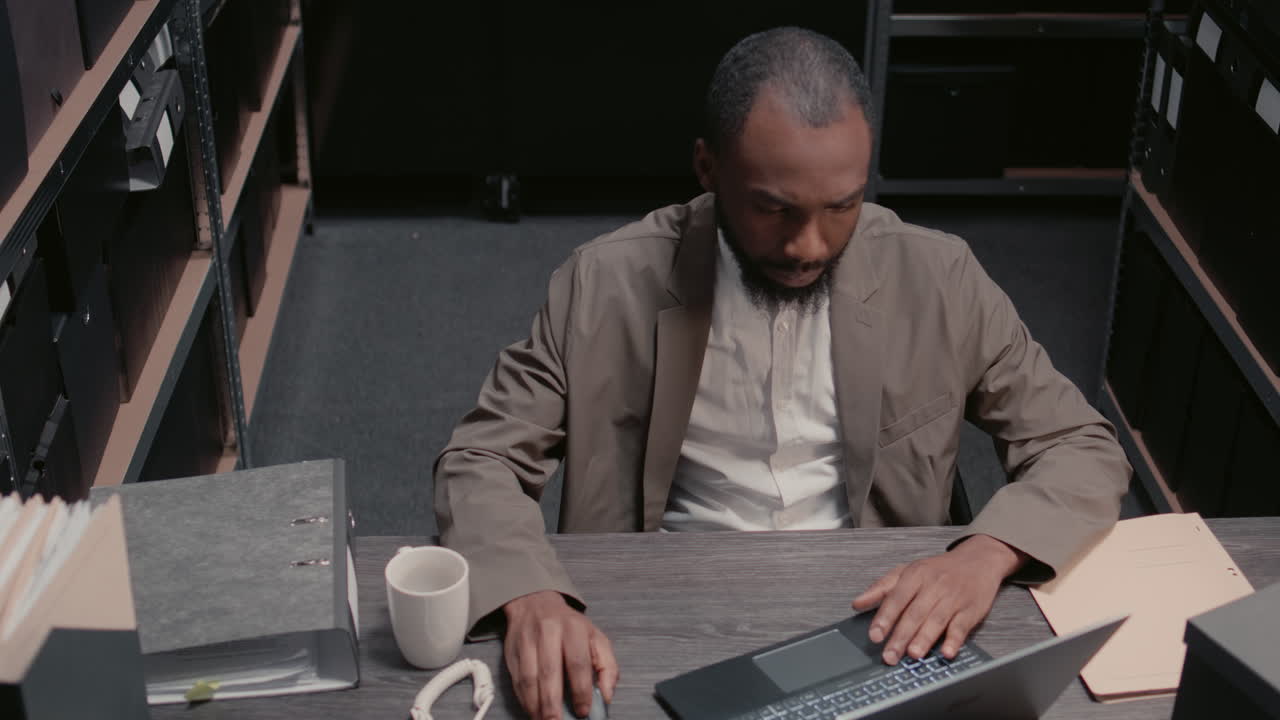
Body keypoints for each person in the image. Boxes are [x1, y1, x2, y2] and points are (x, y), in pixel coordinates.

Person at [434, 26, 1131, 720]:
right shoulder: (604, 283)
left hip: (873, 613)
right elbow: (481, 458)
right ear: (708, 169)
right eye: (774, 208)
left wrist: (986, 553)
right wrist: (531, 597)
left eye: (842, 207)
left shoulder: (938, 277)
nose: (809, 245)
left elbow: (1079, 446)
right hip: (660, 607)